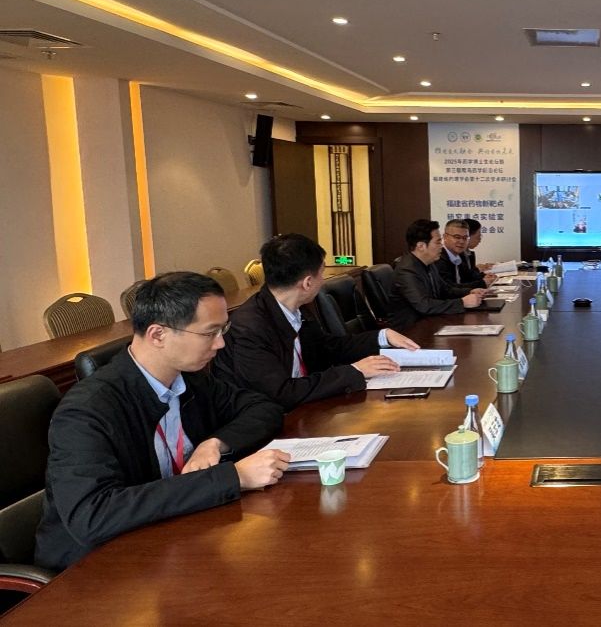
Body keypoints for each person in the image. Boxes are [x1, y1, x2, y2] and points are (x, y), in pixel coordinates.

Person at [36, 272, 289, 571]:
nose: (221, 343)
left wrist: (215, 443)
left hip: (167, 537)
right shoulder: (86, 411)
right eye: (210, 333)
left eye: (223, 329)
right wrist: (233, 477)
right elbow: (92, 516)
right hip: (94, 567)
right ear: (158, 335)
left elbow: (263, 408)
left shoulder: (190, 379)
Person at [213, 234, 418, 412]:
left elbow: (328, 347)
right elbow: (281, 393)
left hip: (305, 410)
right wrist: (354, 371)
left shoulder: (294, 307)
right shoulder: (249, 327)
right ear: (308, 282)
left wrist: (382, 336)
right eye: (321, 273)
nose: (323, 280)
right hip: (272, 423)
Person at [387, 219, 487, 328]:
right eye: (438, 242)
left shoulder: (428, 263)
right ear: (421, 246)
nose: (441, 246)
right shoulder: (407, 270)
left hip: (430, 322)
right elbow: (424, 305)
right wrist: (462, 302)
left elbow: (445, 289)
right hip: (410, 329)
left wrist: (470, 291)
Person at [435, 219, 494, 288]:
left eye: (465, 238)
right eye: (457, 237)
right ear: (445, 237)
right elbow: (449, 288)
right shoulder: (439, 258)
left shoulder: (459, 255)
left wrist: (484, 276)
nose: (462, 241)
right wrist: (482, 283)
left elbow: (468, 277)